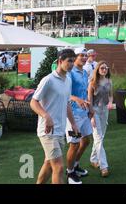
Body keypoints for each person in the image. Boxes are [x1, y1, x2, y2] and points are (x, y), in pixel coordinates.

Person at [30, 49, 79, 184]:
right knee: (58, 167)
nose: (72, 64)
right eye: (69, 61)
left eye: (73, 61)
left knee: (49, 164)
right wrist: (46, 116)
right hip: (47, 131)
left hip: (60, 130)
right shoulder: (48, 80)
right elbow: (33, 102)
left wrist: (73, 123)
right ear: (60, 61)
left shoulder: (68, 80)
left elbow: (67, 103)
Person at [65, 47, 95, 184]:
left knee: (86, 140)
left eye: (85, 55)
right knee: (74, 145)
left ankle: (75, 165)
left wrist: (90, 107)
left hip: (84, 113)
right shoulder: (70, 73)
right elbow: (65, 94)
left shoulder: (84, 72)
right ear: (74, 57)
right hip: (73, 114)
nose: (84, 57)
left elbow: (85, 93)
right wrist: (76, 99)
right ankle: (70, 172)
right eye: (81, 55)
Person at [88, 61, 113, 177]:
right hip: (95, 111)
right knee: (98, 137)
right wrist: (91, 116)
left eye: (106, 68)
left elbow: (111, 95)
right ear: (97, 69)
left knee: (100, 137)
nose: (104, 70)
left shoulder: (109, 82)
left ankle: (93, 159)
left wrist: (111, 103)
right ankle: (104, 166)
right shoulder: (92, 83)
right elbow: (89, 101)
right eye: (102, 68)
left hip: (105, 111)